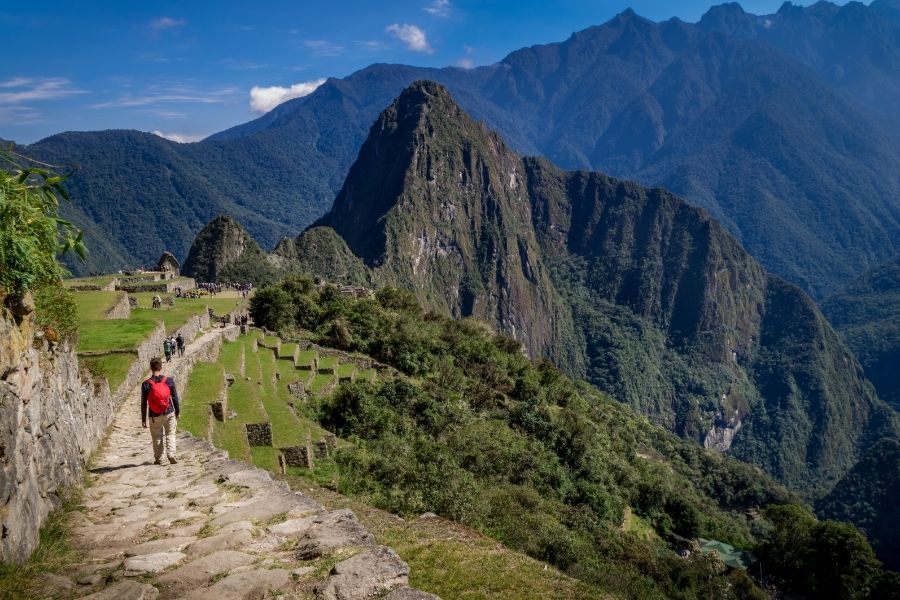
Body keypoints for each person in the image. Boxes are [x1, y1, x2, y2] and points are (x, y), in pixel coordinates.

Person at [141, 357, 180, 465]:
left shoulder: (146, 384)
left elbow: (144, 403)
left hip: (154, 415)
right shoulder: (169, 381)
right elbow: (175, 398)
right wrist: (177, 412)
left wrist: (143, 419)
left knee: (157, 436)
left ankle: (159, 458)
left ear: (151, 368)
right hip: (169, 412)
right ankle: (171, 454)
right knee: (171, 433)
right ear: (161, 367)